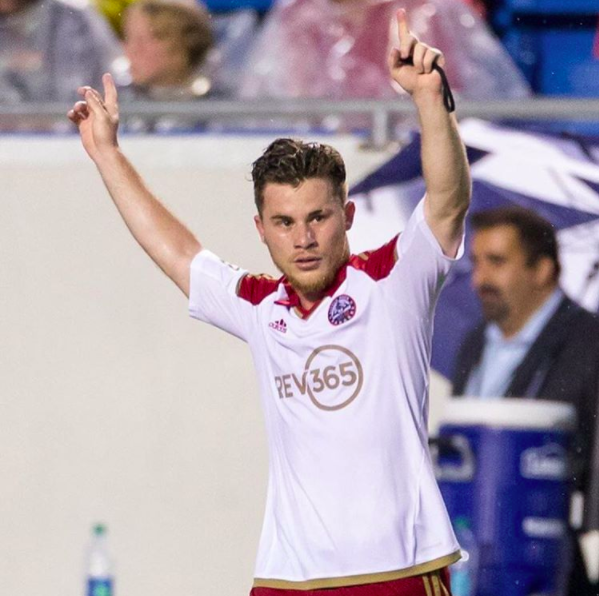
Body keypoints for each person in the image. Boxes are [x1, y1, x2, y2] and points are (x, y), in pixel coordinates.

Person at [68, 9, 471, 595]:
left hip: (398, 570)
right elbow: (178, 252)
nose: (303, 238)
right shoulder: (261, 307)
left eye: (317, 217)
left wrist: (431, 100)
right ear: (261, 230)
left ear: (347, 216)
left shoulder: (392, 281)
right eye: (284, 222)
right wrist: (108, 155)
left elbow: (447, 202)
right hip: (287, 578)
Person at [451, 206, 599, 596]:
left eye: (497, 262)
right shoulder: (473, 344)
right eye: (476, 263)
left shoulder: (589, 343)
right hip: (476, 561)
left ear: (542, 269)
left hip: (553, 569)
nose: (480, 279)